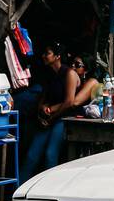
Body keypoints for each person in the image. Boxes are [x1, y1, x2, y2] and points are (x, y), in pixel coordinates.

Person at [21, 41, 82, 180]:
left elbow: (69, 102)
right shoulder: (49, 74)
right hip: (48, 118)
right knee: (32, 155)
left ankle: (49, 190)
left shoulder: (69, 73)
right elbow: (43, 97)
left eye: (47, 53)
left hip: (63, 118)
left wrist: (51, 118)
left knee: (50, 154)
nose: (44, 56)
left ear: (57, 56)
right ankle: (16, 191)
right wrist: (41, 111)